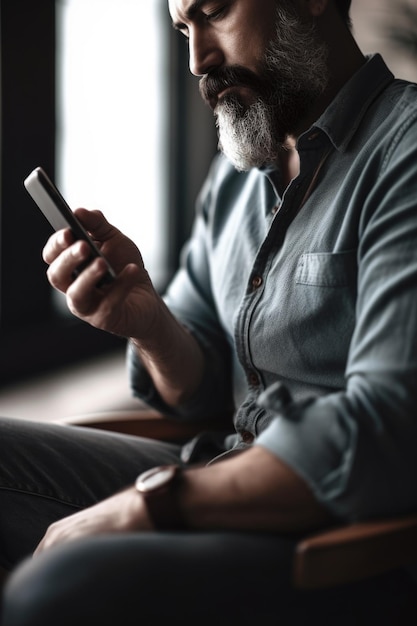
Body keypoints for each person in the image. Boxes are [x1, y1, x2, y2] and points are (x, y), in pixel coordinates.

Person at [1, 0, 417, 623]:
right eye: (182, 29)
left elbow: (387, 433)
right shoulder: (236, 178)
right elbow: (198, 392)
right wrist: (146, 322)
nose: (199, 59)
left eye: (216, 12)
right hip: (216, 469)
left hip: (333, 532)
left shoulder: (404, 153)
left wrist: (146, 506)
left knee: (55, 589)